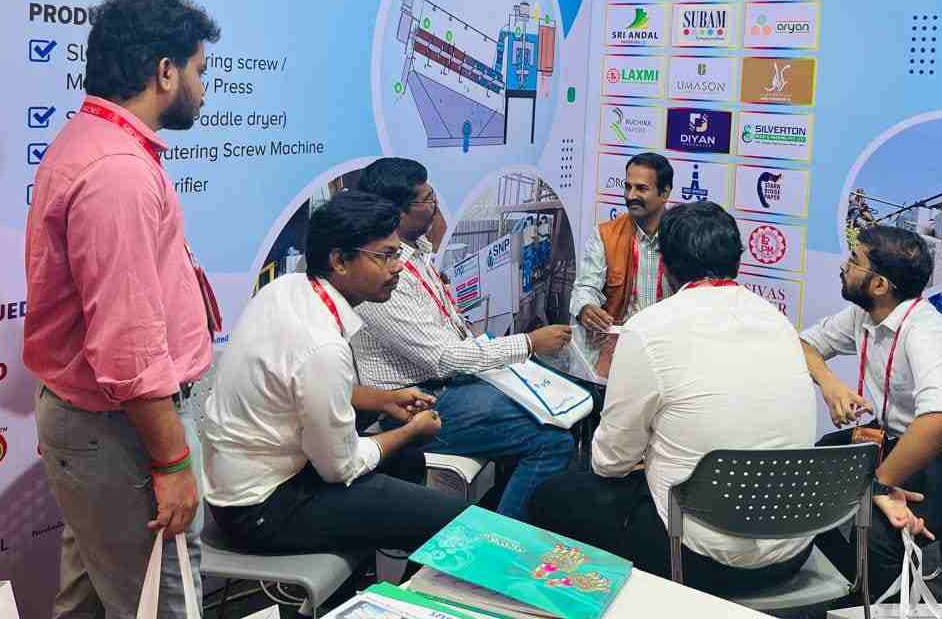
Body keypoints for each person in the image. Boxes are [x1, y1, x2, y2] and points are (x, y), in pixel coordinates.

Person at [24, 0, 223, 619]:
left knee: (89, 602)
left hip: (104, 427)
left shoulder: (100, 145)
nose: (203, 88)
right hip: (122, 432)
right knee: (162, 604)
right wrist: (172, 461)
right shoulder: (117, 170)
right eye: (198, 70)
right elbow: (128, 347)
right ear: (165, 72)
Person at [531, 202, 815, 595]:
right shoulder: (778, 322)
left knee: (551, 498)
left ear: (665, 265)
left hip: (697, 557)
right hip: (793, 547)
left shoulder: (650, 329)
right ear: (737, 260)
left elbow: (610, 462)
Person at [203, 192, 468, 553]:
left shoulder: (287, 289)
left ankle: (378, 578)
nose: (398, 268)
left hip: (253, 481)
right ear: (340, 261)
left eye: (398, 254)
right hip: (262, 509)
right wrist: (411, 431)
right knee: (455, 523)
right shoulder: (322, 345)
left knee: (407, 462)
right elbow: (340, 468)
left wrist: (384, 399)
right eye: (386, 256)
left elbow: (294, 386)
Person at [350, 158, 574, 521]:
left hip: (449, 385)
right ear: (397, 211)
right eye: (427, 199)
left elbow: (447, 339)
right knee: (552, 441)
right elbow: (442, 357)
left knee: (555, 409)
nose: (436, 205)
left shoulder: (415, 254)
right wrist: (529, 343)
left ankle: (497, 517)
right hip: (414, 403)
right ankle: (498, 544)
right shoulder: (383, 275)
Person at [801, 225, 942, 601]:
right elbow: (804, 345)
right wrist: (831, 385)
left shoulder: (928, 333)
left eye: (854, 260)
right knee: (806, 475)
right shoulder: (865, 315)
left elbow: (940, 422)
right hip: (898, 438)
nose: (844, 266)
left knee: (880, 531)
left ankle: (868, 597)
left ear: (879, 285)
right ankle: (857, 587)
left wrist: (879, 486)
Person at [570, 152, 674, 380]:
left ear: (665, 193)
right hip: (620, 349)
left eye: (641, 188)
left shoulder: (683, 234)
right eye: (628, 187)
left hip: (670, 349)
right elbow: (586, 287)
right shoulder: (606, 234)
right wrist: (586, 308)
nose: (631, 196)